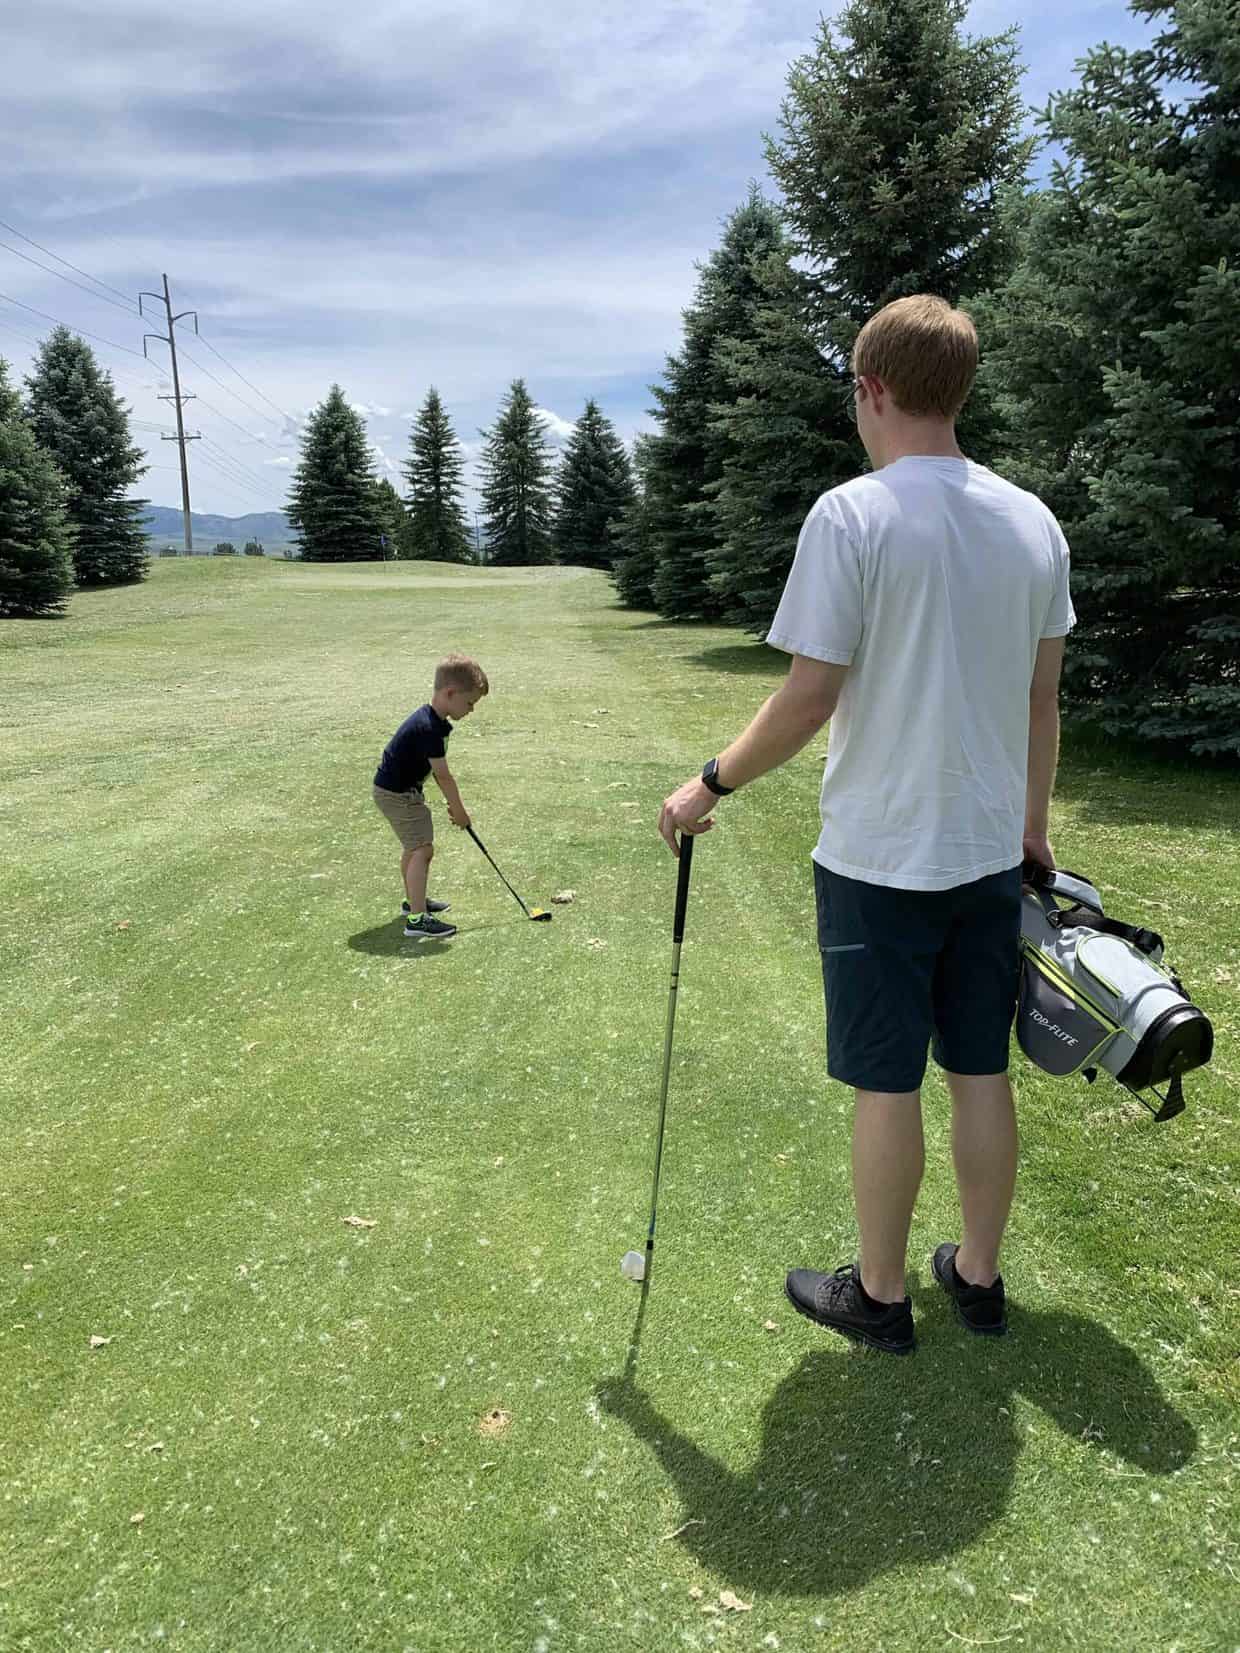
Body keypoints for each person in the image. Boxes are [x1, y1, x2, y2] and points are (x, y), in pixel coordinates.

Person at [658, 294, 1074, 1354]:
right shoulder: (1033, 521)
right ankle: (976, 1278)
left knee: (886, 1078)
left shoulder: (849, 514)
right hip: (987, 853)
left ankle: (880, 1295)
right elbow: (1040, 701)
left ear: (873, 390)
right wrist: (1032, 827)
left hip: (879, 859)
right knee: (977, 1068)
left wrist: (709, 783)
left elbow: (808, 695)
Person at [373, 654, 489, 941]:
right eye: (470, 702)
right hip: (397, 794)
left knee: (414, 849)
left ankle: (415, 903)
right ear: (450, 693)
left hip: (398, 791)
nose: (471, 710)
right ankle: (416, 919)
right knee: (422, 850)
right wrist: (459, 811)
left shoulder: (433, 721)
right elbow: (443, 775)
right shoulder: (428, 728)